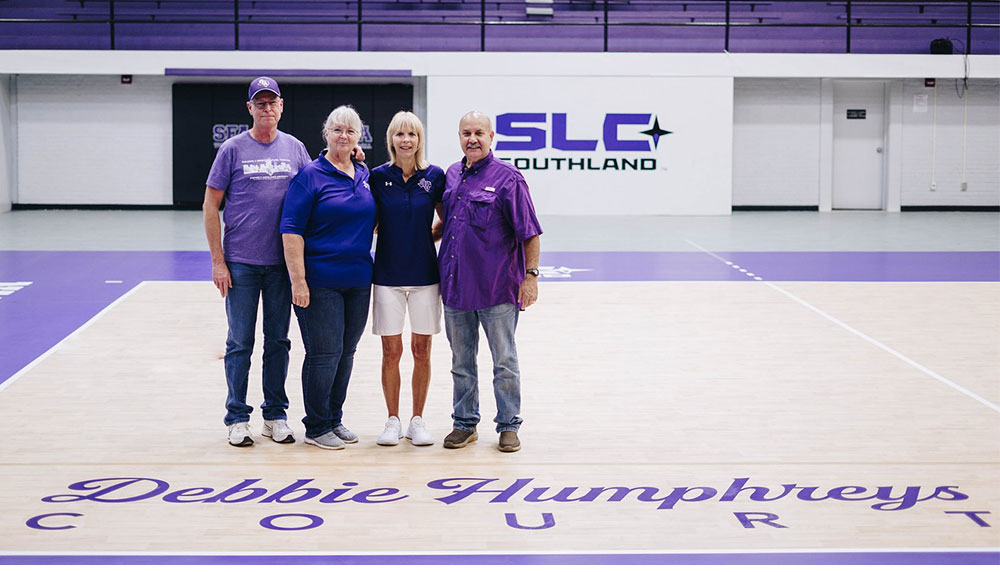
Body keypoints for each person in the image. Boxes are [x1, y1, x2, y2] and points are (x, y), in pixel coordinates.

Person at [204, 76, 310, 447]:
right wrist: (219, 262)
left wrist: (354, 158)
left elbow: (318, 188)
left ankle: (275, 414)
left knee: (278, 341)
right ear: (250, 108)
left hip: (282, 266)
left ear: (281, 106)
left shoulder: (296, 149)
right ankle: (236, 417)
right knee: (239, 343)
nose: (266, 108)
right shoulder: (232, 150)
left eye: (272, 102)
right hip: (242, 265)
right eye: (259, 103)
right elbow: (210, 207)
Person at [438, 111, 543, 453]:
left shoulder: (509, 178)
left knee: (504, 361)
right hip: (456, 289)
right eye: (466, 132)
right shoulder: (452, 175)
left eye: (479, 133)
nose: (473, 139)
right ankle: (465, 424)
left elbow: (530, 233)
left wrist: (531, 277)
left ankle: (509, 425)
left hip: (497, 289)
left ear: (491, 137)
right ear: (459, 136)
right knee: (461, 363)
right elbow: (448, 224)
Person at [280, 105, 376, 451]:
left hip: (359, 280)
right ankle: (317, 425)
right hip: (320, 281)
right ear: (326, 134)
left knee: (346, 351)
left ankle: (334, 418)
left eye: (350, 131)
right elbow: (291, 230)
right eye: (337, 130)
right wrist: (298, 281)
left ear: (358, 138)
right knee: (324, 352)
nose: (343, 136)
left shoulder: (363, 173)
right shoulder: (310, 175)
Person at [369, 111, 446, 447]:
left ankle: (417, 420)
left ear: (419, 139)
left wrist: (423, 237)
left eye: (411, 134)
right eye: (399, 134)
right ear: (391, 140)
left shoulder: (435, 176)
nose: (405, 140)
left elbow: (447, 219)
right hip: (386, 276)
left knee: (421, 349)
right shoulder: (376, 177)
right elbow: (366, 219)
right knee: (390, 350)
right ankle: (392, 420)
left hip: (425, 276)